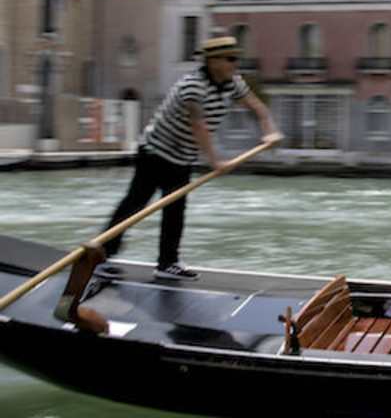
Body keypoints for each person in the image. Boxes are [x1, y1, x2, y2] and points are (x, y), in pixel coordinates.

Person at [100, 32, 280, 281]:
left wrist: (269, 131)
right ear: (213, 62)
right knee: (135, 204)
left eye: (235, 58)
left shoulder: (233, 82)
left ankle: (167, 263)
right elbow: (199, 126)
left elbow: (257, 108)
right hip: (155, 152)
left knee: (176, 210)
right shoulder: (193, 86)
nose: (234, 64)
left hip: (182, 157)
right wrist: (215, 161)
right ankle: (100, 256)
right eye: (230, 59)